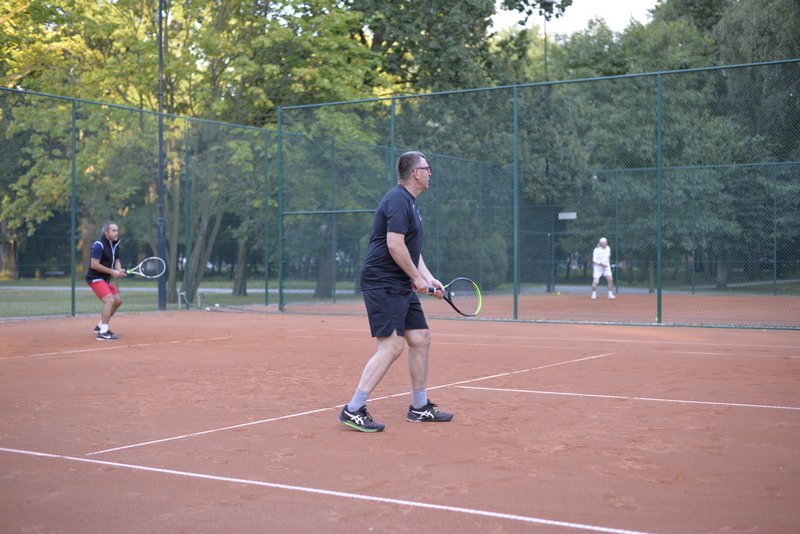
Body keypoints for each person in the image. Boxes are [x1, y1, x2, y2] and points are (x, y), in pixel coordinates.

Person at [338, 151, 452, 433]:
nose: (430, 173)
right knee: (392, 346)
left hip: (399, 282)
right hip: (382, 281)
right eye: (427, 168)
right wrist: (416, 278)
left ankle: (419, 407)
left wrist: (428, 278)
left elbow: (411, 249)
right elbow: (394, 245)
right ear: (416, 173)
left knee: (420, 338)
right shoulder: (397, 200)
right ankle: (353, 409)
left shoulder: (410, 203)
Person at [85, 221, 127, 340]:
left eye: (117, 230)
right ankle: (103, 333)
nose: (116, 233)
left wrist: (119, 270)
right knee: (110, 300)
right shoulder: (98, 245)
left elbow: (116, 260)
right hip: (95, 278)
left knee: (117, 301)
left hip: (105, 279)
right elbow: (94, 265)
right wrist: (112, 271)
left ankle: (100, 326)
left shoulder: (115, 245)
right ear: (106, 233)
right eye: (113, 230)